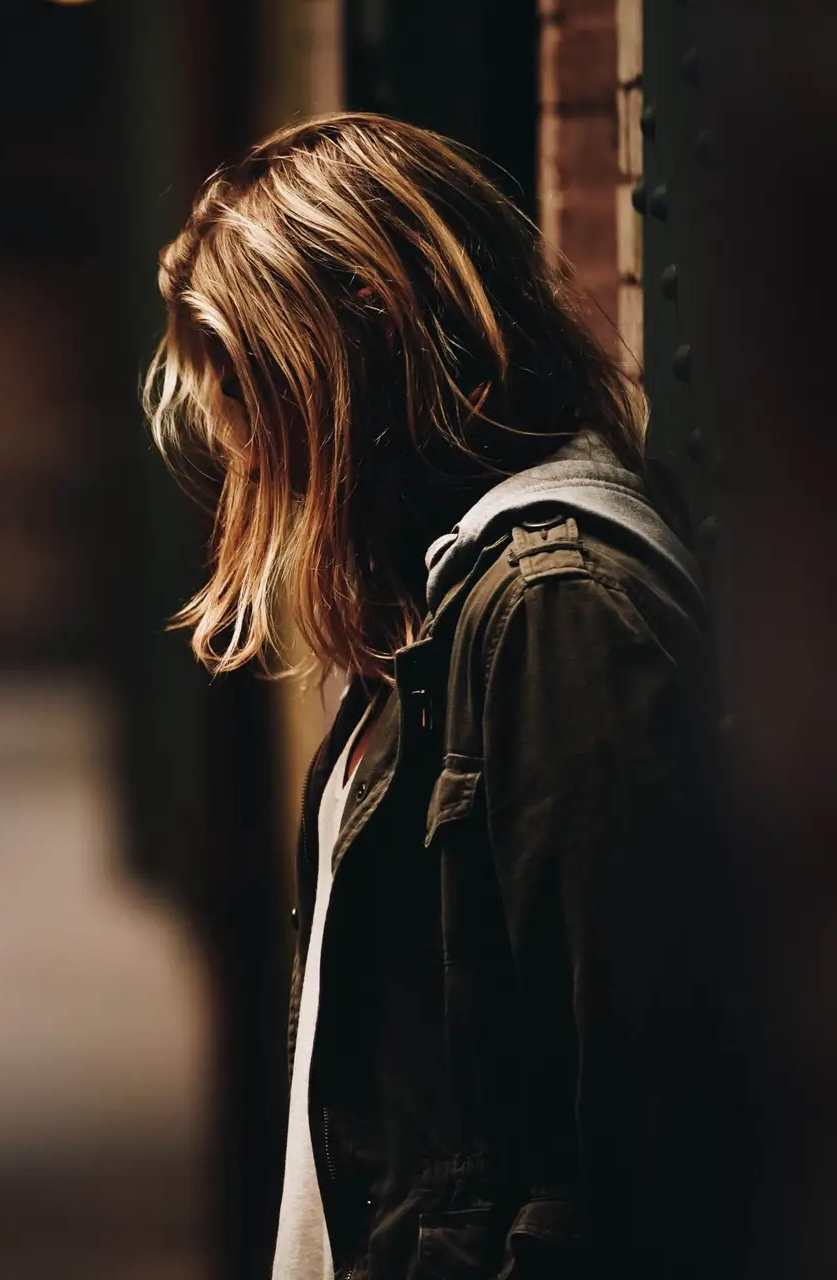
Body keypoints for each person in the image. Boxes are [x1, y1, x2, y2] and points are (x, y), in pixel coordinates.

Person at [144, 113, 749, 1279]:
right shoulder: (450, 602)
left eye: (253, 390)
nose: (248, 453)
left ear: (363, 330)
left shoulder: (553, 611)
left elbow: (647, 1134)